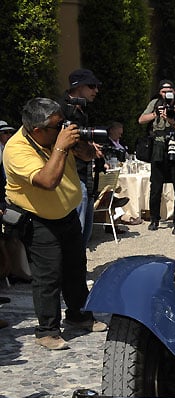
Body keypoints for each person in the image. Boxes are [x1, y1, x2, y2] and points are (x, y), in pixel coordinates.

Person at [2, 98, 107, 350]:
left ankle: (79, 316)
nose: (63, 129)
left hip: (66, 214)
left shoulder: (53, 137)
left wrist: (80, 145)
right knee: (48, 276)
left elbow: (89, 155)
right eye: (57, 125)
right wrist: (60, 147)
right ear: (37, 129)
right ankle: (47, 330)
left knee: (75, 267)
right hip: (38, 219)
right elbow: (47, 180)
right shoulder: (16, 149)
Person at [138, 80, 175, 235]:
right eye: (163, 91)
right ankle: (154, 219)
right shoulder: (155, 104)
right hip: (158, 147)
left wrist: (172, 121)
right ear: (159, 92)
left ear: (174, 91)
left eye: (169, 91)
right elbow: (141, 120)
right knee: (155, 187)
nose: (166, 94)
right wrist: (156, 113)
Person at [61, 68, 103, 247]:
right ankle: (73, 272)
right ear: (77, 87)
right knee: (75, 233)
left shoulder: (80, 110)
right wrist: (89, 151)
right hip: (70, 177)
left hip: (84, 175)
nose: (96, 91)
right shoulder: (61, 109)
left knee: (84, 231)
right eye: (92, 86)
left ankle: (79, 270)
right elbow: (70, 144)